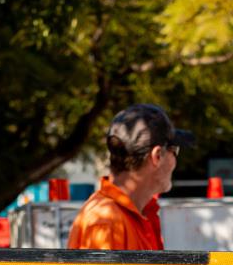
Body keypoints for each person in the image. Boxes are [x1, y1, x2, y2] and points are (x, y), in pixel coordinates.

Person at [68, 103, 194, 251]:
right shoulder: (107, 222)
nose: (175, 161)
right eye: (174, 150)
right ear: (157, 156)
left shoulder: (137, 213)